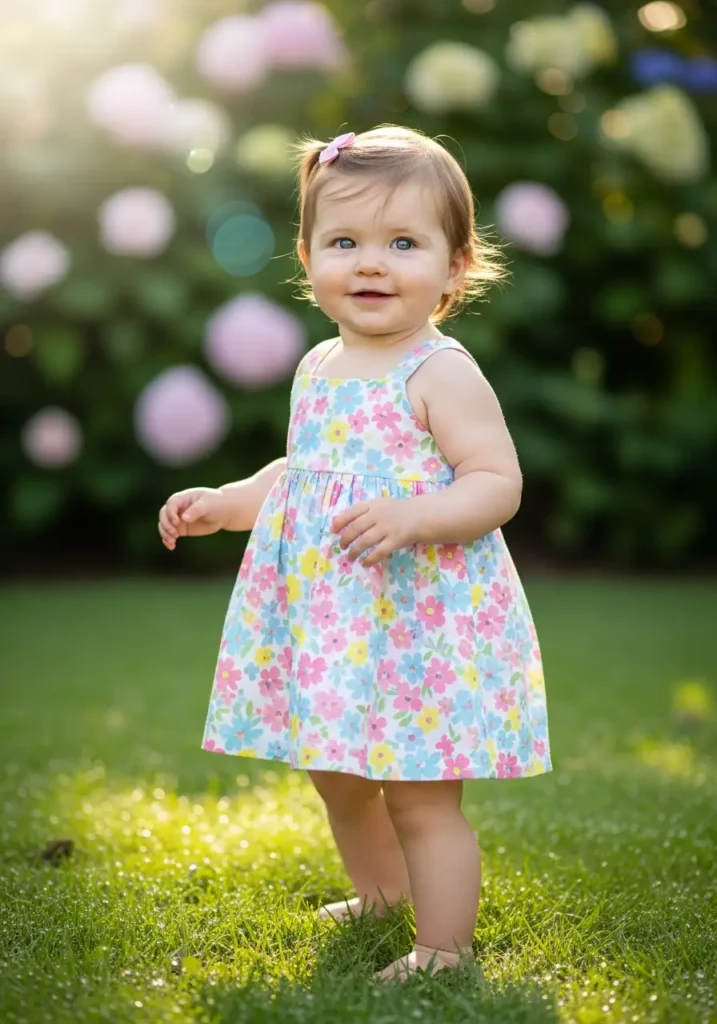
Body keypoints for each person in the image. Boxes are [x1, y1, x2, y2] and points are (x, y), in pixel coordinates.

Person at [158, 126, 551, 981]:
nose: (371, 264)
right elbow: (302, 476)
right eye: (345, 243)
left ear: (454, 268)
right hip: (336, 629)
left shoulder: (438, 371)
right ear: (307, 258)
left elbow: (496, 481)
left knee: (418, 796)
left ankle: (442, 950)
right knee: (334, 772)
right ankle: (380, 894)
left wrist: (418, 513)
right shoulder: (318, 366)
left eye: (403, 244)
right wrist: (227, 504)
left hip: (417, 627)